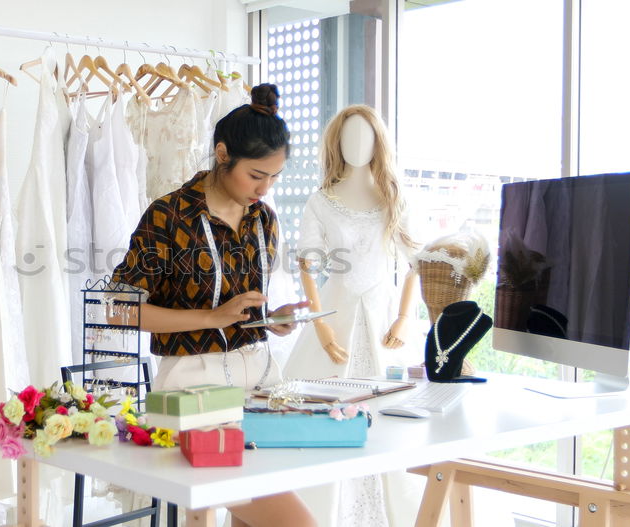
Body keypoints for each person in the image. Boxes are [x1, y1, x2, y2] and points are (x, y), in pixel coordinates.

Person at [111, 84, 316, 527]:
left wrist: (270, 319)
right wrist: (212, 317)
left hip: (259, 384)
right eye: (257, 175)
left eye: (275, 177)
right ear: (223, 154)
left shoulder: (264, 219)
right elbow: (118, 310)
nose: (265, 188)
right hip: (192, 392)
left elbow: (242, 308)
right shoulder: (169, 216)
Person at [282, 105, 420, 527]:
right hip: (334, 313)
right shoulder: (321, 201)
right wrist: (319, 323)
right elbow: (307, 263)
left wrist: (403, 317)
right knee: (321, 415)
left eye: (364, 137)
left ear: (379, 142)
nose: (356, 146)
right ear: (335, 143)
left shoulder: (394, 198)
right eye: (347, 138)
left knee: (393, 424)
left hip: (382, 322)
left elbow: (417, 262)